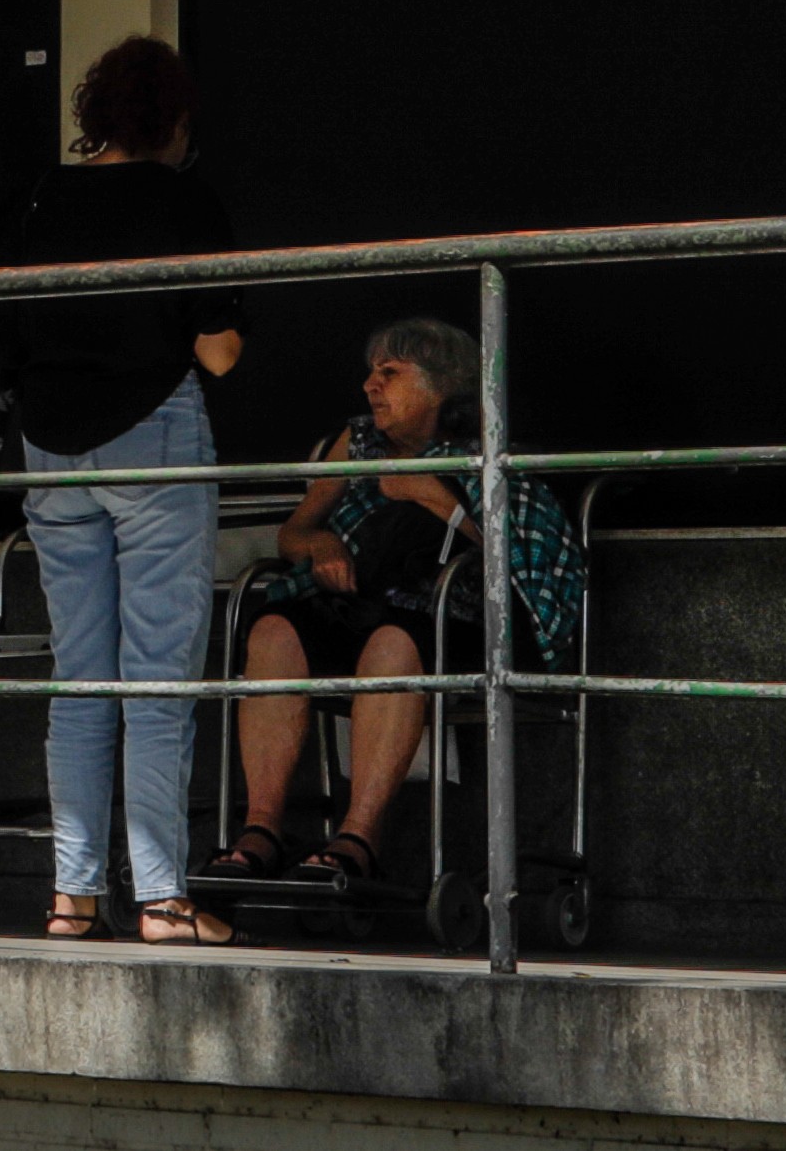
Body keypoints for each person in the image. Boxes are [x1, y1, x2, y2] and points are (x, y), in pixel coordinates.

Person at [0, 35, 245, 946]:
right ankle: (165, 901)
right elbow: (219, 350)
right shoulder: (185, 200)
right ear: (173, 118)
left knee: (79, 677)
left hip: (49, 448)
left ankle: (72, 897)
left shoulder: (38, 198)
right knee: (157, 678)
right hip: (153, 437)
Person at [221, 318, 587, 893]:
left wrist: (429, 494)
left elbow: (510, 562)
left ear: (442, 386)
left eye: (390, 374)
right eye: (371, 372)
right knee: (272, 630)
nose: (371, 385)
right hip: (359, 602)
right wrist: (319, 543)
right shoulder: (358, 441)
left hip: (456, 617)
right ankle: (260, 833)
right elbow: (292, 535)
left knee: (393, 644)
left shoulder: (484, 450)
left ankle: (357, 840)